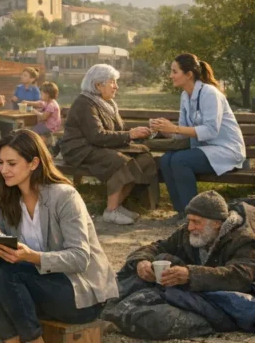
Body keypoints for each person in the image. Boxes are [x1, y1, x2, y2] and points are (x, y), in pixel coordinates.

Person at [0, 130, 118, 343]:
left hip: (79, 297)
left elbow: (80, 258)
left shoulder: (64, 196)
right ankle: (11, 339)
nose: (3, 170)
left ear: (33, 163)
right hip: (34, 291)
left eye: (12, 163)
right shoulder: (8, 201)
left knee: (8, 273)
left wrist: (32, 257)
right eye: (1, 162)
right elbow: (2, 253)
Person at [59, 64, 155, 225]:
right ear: (98, 85)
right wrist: (129, 134)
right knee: (118, 161)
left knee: (143, 158)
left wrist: (139, 132)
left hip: (97, 146)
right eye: (112, 82)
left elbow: (118, 131)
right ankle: (111, 210)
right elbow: (96, 136)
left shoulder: (108, 104)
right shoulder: (84, 103)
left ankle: (117, 205)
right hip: (79, 149)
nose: (116, 86)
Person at [150, 54, 246, 214]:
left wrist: (174, 128)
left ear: (189, 75)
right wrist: (163, 128)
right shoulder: (184, 95)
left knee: (180, 161)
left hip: (226, 150)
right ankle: (182, 213)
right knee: (167, 159)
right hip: (204, 150)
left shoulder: (210, 93)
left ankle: (194, 214)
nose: (170, 76)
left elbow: (210, 130)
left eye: (174, 71)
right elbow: (182, 133)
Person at [122, 190, 255, 292]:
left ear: (216, 224)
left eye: (196, 222)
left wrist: (191, 275)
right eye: (189, 220)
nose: (190, 227)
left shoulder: (242, 239)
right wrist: (141, 261)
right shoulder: (186, 231)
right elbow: (159, 247)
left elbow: (241, 276)